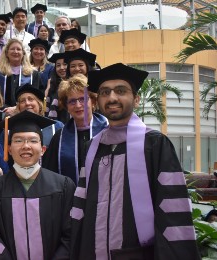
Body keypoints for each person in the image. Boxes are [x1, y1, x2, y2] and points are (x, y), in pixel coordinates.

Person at [70, 63, 200, 259]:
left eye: (121, 91)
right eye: (105, 92)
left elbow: (173, 210)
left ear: (136, 99)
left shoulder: (155, 145)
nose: (112, 97)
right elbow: (81, 209)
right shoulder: (92, 148)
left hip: (139, 253)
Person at [0, 110, 76, 259]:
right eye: (18, 140)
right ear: (9, 149)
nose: (26, 146)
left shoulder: (63, 186)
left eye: (33, 140)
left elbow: (71, 234)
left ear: (43, 149)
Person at [42, 75, 108, 185]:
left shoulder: (108, 131)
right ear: (66, 106)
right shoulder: (59, 138)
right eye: (72, 101)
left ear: (93, 102)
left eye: (83, 99)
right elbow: (50, 176)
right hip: (70, 200)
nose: (77, 105)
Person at [0, 38, 44, 116]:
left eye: (18, 49)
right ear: (6, 53)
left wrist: (17, 108)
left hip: (26, 115)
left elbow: (37, 97)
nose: (15, 52)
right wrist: (6, 109)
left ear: (23, 53)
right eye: (12, 49)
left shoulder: (34, 74)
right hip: (0, 115)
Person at [0, 85, 64, 148]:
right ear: (19, 107)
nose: (27, 103)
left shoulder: (56, 126)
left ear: (39, 104)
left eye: (31, 99)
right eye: (22, 101)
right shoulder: (8, 130)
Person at [46, 53, 69, 123]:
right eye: (58, 65)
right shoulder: (53, 87)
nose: (61, 68)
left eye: (65, 64)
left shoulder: (74, 86)